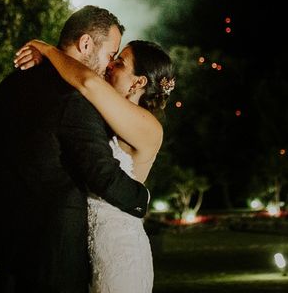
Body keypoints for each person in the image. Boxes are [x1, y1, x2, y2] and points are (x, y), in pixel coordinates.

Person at [0, 6, 150, 293]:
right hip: (50, 258)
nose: (109, 65)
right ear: (85, 44)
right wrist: (142, 197)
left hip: (0, 251)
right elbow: (101, 173)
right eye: (110, 54)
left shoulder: (11, 83)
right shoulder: (74, 98)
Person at [14, 36, 175, 292]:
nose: (111, 66)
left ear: (139, 82)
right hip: (86, 244)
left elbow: (87, 80)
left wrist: (46, 49)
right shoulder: (106, 112)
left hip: (119, 247)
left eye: (120, 62)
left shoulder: (149, 127)